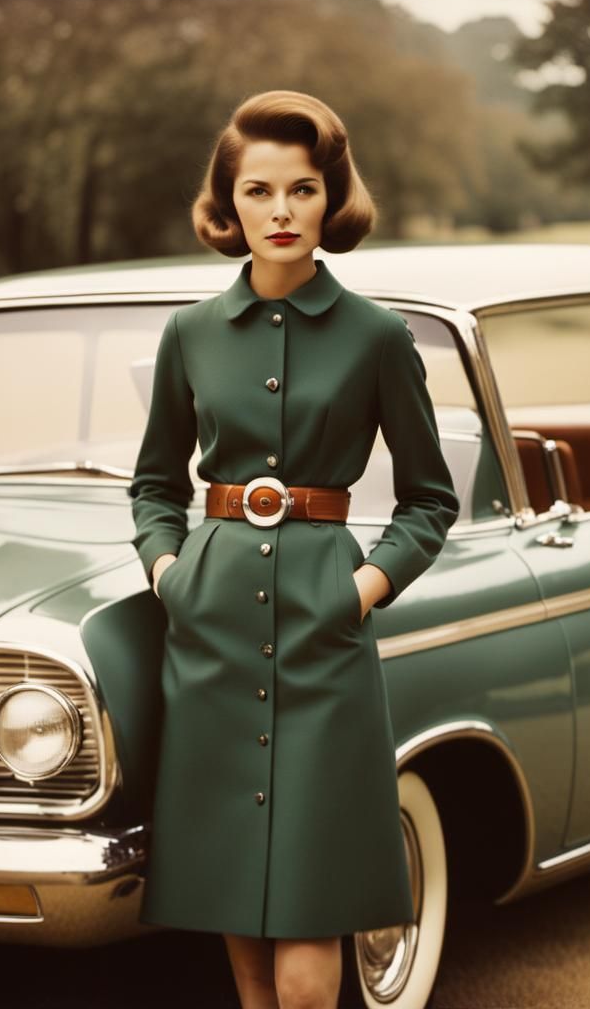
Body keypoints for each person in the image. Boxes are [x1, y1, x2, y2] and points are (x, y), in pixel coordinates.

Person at [129, 89, 460, 1009]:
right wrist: (169, 572)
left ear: (331, 200)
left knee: (311, 961)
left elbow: (431, 499)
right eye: (259, 191)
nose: (281, 211)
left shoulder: (380, 337)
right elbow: (155, 484)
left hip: (326, 639)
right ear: (227, 205)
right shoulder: (189, 333)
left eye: (303, 190)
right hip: (212, 635)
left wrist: (362, 586)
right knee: (238, 922)